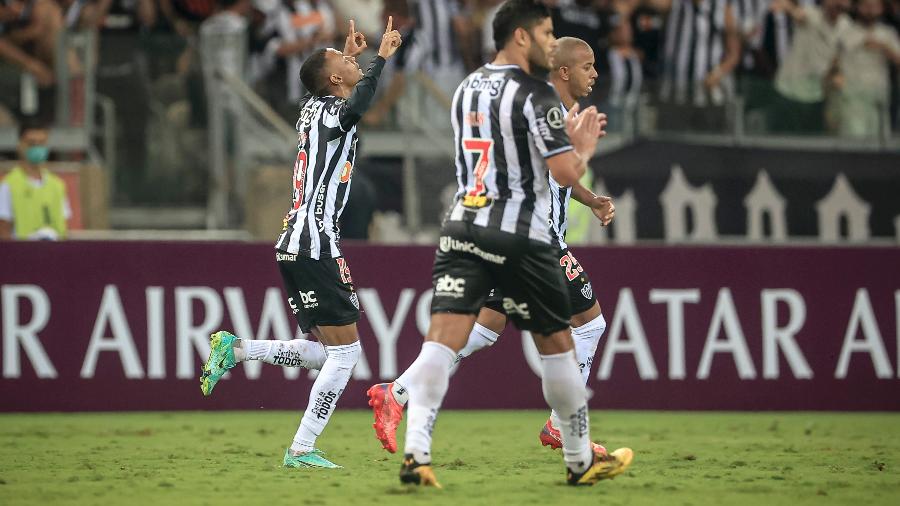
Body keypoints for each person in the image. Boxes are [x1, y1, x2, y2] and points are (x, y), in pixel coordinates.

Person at [370, 0, 633, 488]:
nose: (550, 41)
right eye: (545, 32)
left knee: (450, 337)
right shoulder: (538, 97)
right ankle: (577, 456)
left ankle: (414, 450)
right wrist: (584, 151)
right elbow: (560, 168)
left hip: (464, 227)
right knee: (563, 343)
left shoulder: (466, 88)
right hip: (520, 233)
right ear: (521, 37)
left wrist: (585, 193)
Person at [198, 17, 403, 469]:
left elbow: (345, 92)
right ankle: (302, 447)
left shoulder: (313, 109)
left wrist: (349, 59)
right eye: (342, 60)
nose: (351, 61)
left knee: (325, 352)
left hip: (297, 240)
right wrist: (380, 59)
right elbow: (358, 103)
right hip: (314, 243)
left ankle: (238, 349)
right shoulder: (333, 110)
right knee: (346, 355)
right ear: (333, 79)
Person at [832, 0, 900, 137]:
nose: (870, 10)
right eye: (866, 6)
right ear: (857, 7)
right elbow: (833, 61)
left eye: (875, 6)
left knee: (880, 144)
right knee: (854, 142)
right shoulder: (844, 30)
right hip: (851, 98)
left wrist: (885, 48)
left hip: (879, 96)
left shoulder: (888, 33)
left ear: (881, 9)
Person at [0, 120, 71, 240]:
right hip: (23, 255)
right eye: (31, 143)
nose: (37, 148)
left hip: (55, 254)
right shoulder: (8, 185)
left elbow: (64, 228)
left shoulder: (58, 185)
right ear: (20, 145)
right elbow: (3, 233)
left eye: (41, 143)